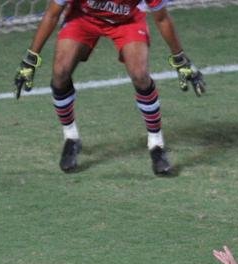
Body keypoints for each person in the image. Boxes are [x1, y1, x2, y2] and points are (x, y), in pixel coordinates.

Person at [13, 0, 206, 175]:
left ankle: (156, 145)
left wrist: (180, 58)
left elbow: (162, 18)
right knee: (60, 72)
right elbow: (52, 14)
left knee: (140, 75)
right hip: (84, 18)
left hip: (127, 21)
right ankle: (71, 137)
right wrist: (31, 59)